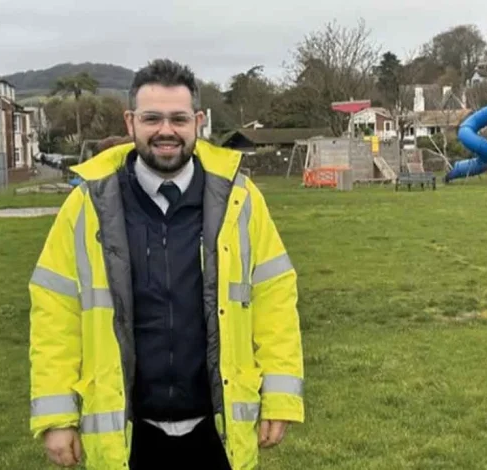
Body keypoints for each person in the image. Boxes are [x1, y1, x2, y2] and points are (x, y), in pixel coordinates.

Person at [28, 59, 304, 470]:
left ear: (198, 121)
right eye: (152, 118)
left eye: (178, 118)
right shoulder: (86, 206)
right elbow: (55, 314)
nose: (166, 131)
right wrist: (56, 417)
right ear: (130, 122)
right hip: (128, 433)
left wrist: (280, 397)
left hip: (218, 431)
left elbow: (274, 301)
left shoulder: (240, 200)